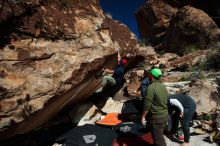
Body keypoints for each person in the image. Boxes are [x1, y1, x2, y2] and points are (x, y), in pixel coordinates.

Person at [141, 68, 168, 146]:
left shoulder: (151, 88)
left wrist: (143, 117)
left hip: (157, 118)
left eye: (150, 74)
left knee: (159, 140)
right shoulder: (162, 86)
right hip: (165, 115)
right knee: (160, 135)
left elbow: (147, 104)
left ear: (151, 75)